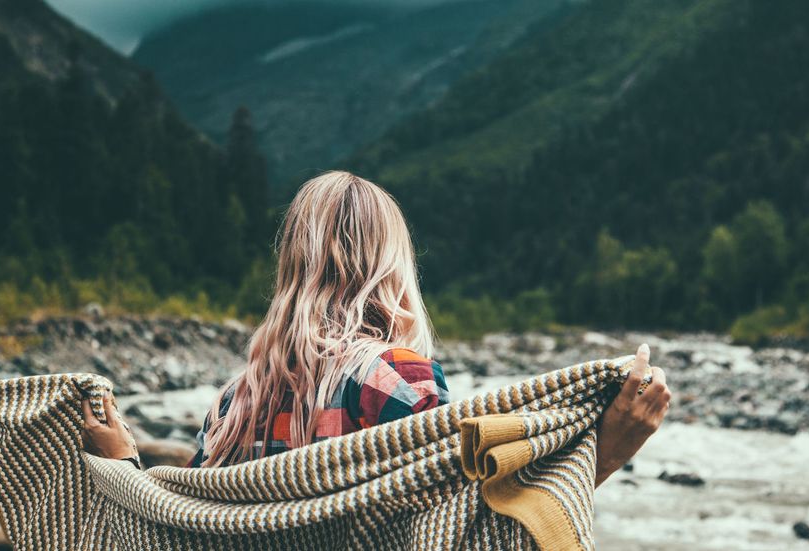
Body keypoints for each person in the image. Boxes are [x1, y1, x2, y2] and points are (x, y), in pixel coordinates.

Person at [81, 171, 671, 486]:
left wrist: (122, 466)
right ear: (393, 268)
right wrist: (609, 448)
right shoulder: (396, 378)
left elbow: (187, 530)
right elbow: (463, 530)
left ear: (292, 267)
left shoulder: (233, 405)